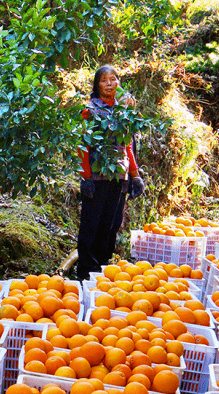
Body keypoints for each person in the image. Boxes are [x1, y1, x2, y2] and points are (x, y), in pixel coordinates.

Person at [77, 65, 146, 280]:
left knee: (111, 225)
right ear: (97, 85)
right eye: (104, 80)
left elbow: (127, 146)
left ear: (118, 82)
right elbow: (82, 146)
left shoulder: (123, 111)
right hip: (97, 178)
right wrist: (86, 177)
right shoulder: (89, 111)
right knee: (92, 224)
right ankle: (86, 273)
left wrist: (135, 175)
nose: (109, 84)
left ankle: (102, 270)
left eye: (113, 79)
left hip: (118, 178)